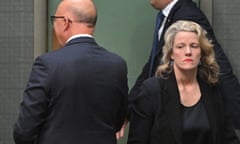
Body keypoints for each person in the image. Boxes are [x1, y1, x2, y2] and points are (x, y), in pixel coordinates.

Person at [13, 0, 128, 144]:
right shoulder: (118, 65)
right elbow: (117, 123)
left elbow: (24, 130)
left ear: (65, 22)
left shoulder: (47, 64)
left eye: (54, 20)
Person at [128, 0, 240, 130]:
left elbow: (218, 64)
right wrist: (129, 109)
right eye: (180, 46)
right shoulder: (168, 16)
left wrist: (236, 115)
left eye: (192, 46)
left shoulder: (187, 15)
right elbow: (152, 65)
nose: (187, 51)